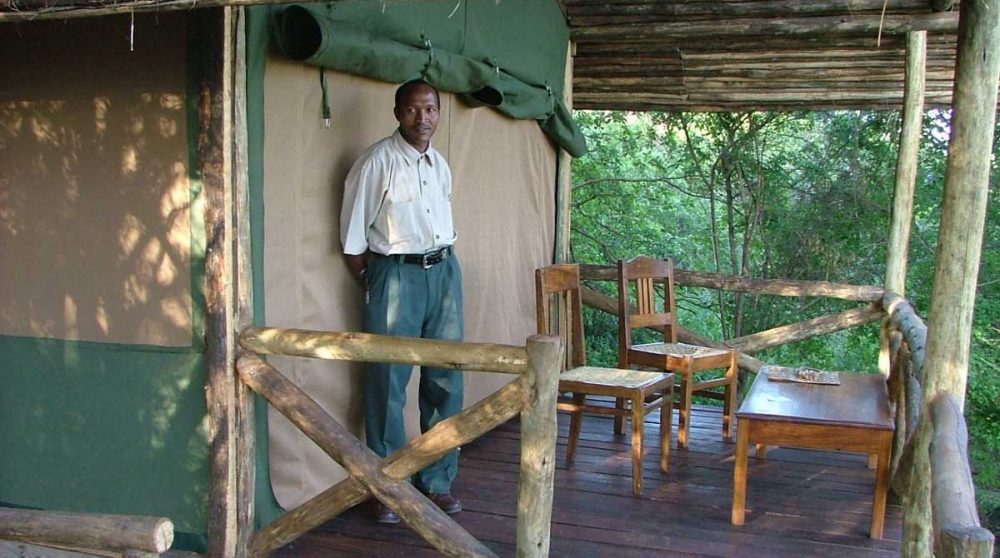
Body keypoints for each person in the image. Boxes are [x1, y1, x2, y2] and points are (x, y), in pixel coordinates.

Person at [340, 80, 464, 525]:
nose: (423, 118)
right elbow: (353, 240)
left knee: (445, 377)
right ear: (397, 113)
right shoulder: (377, 162)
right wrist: (379, 281)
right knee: (387, 382)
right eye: (413, 110)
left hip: (445, 272)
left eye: (430, 109)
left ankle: (438, 481)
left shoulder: (439, 164)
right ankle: (390, 486)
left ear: (438, 112)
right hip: (395, 274)